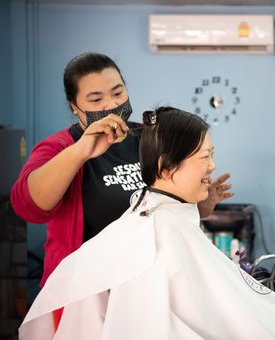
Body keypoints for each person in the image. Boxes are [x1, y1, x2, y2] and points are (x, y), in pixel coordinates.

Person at [19, 106, 275, 339]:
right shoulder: (156, 239)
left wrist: (200, 206)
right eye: (204, 157)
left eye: (212, 155)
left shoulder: (150, 213)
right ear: (165, 168)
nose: (213, 166)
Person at [10, 52, 232, 289]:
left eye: (118, 93)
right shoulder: (60, 148)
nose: (112, 105)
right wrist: (80, 152)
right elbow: (28, 207)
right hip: (86, 291)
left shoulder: (149, 138)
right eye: (95, 100)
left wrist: (201, 208)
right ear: (74, 107)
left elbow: (167, 204)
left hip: (145, 284)